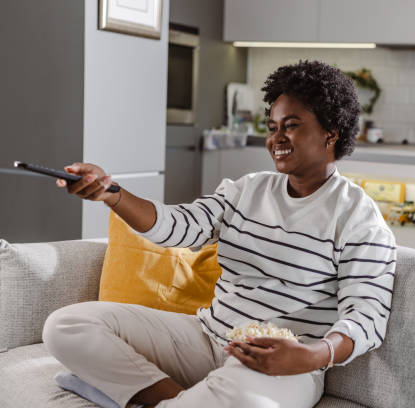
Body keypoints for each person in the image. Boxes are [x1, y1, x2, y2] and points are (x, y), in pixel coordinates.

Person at [43, 60, 396, 408]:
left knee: (245, 399)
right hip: (206, 338)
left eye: (291, 125)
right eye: (272, 127)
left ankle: (133, 396)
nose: (277, 139)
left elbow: (367, 314)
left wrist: (312, 356)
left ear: (330, 133)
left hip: (282, 366)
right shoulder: (248, 190)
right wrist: (112, 194)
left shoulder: (357, 216)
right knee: (67, 324)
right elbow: (179, 225)